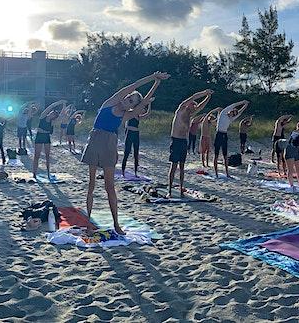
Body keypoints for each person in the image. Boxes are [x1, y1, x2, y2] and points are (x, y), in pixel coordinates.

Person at [82, 72, 166, 234]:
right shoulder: (110, 102)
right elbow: (134, 85)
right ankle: (88, 223)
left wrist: (157, 84)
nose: (128, 100)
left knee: (110, 187)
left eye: (131, 101)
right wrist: (152, 77)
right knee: (91, 184)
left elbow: (144, 103)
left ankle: (116, 224)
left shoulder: (127, 115)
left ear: (131, 107)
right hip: (95, 140)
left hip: (109, 144)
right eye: (129, 98)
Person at [168, 89, 213, 197]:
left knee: (182, 166)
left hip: (184, 141)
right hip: (176, 140)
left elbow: (201, 106)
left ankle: (181, 189)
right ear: (189, 105)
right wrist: (204, 93)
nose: (195, 108)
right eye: (194, 106)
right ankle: (169, 190)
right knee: (174, 166)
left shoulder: (190, 115)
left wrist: (208, 97)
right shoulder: (181, 110)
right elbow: (193, 96)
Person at [32, 100, 66, 180]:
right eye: (52, 112)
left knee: (47, 156)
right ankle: (34, 173)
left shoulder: (52, 122)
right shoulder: (43, 116)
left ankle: (48, 172)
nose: (51, 113)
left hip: (46, 137)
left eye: (53, 113)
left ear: (54, 116)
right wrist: (60, 102)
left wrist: (64, 106)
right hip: (39, 136)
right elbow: (50, 106)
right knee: (37, 155)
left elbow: (61, 116)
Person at [123, 98, 158, 177]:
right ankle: (123, 172)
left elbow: (148, 113)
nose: (143, 110)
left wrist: (149, 103)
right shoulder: (131, 113)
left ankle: (135, 173)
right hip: (129, 133)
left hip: (136, 134)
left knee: (136, 153)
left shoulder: (138, 116)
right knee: (127, 153)